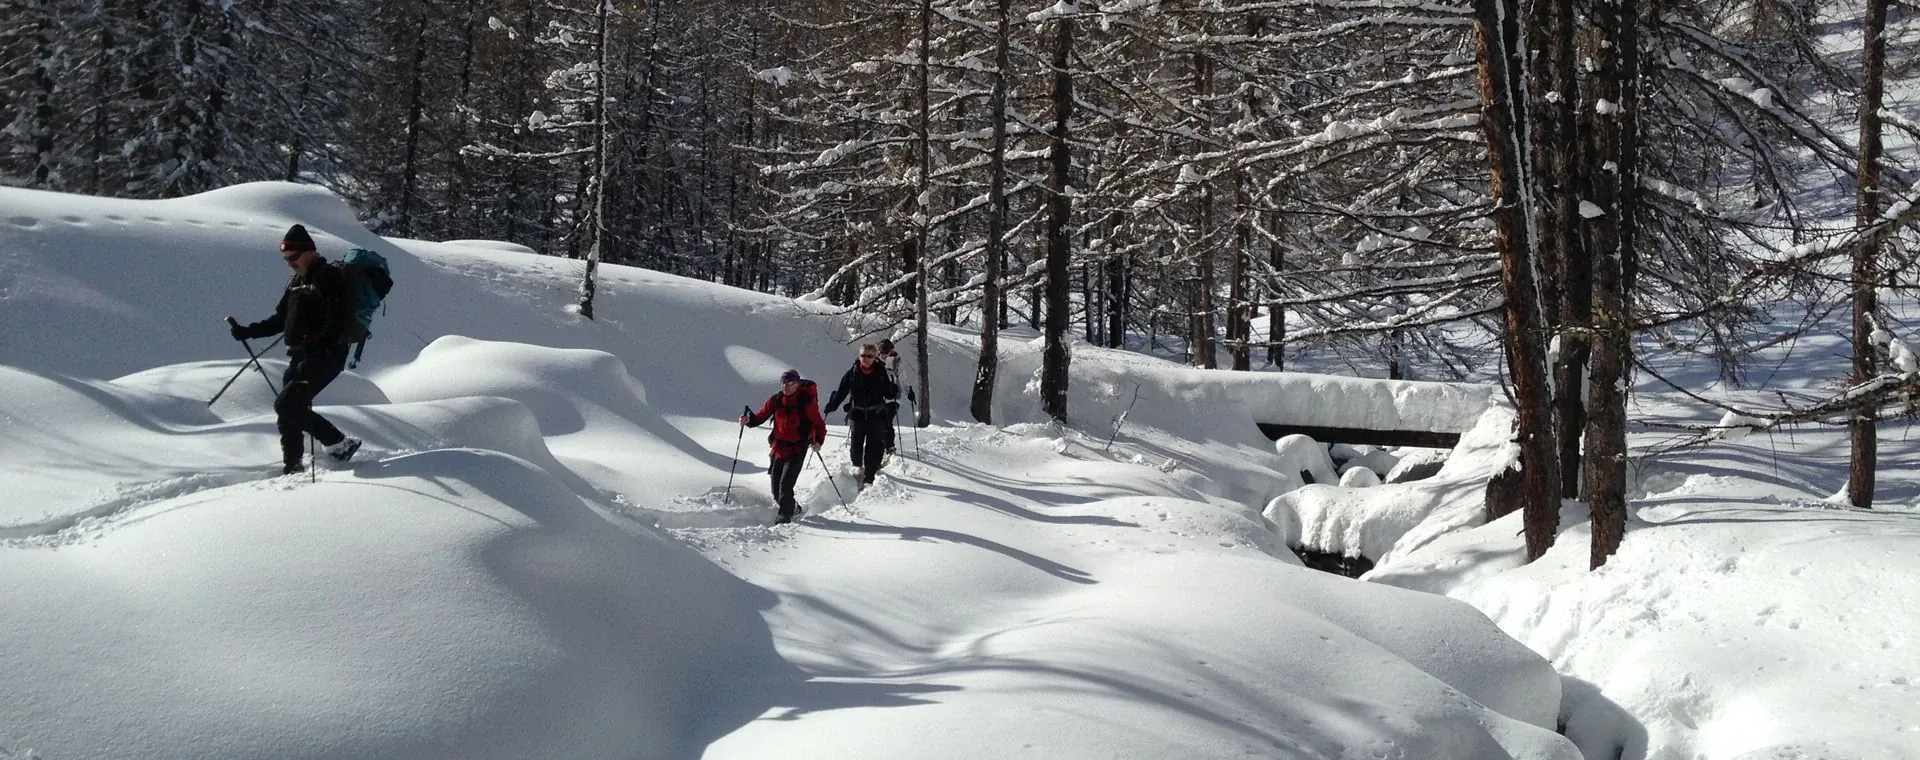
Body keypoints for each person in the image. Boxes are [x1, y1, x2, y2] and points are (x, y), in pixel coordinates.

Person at [228, 224, 363, 475]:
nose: (289, 263)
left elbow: (338, 320)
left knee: (287, 405)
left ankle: (338, 443)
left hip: (325, 355)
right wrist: (247, 331)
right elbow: (280, 320)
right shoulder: (296, 282)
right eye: (286, 259)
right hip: (299, 355)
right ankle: (292, 465)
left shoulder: (328, 277)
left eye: (293, 258)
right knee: (287, 412)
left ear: (309, 252)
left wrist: (318, 344)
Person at [741, 369, 827, 524]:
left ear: (797, 384)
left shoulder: (805, 403)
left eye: (790, 382)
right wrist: (749, 420)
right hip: (778, 449)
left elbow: (819, 424)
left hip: (797, 449)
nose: (786, 386)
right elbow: (760, 416)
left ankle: (784, 520)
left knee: (785, 488)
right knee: (776, 492)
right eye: (783, 382)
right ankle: (795, 509)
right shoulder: (776, 400)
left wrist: (818, 441)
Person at [823, 344, 899, 488]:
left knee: (873, 446)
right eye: (863, 355)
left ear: (875, 357)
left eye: (870, 356)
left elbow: (888, 393)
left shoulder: (881, 372)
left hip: (876, 415)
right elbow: (841, 391)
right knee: (856, 445)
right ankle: (858, 470)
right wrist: (832, 405)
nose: (866, 359)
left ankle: (869, 478)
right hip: (857, 413)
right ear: (859, 356)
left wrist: (893, 390)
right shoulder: (852, 372)